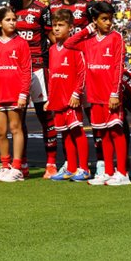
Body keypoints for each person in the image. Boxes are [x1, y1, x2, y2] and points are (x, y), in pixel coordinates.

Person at [8, 0, 57, 178]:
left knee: (44, 116)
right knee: (17, 120)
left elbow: (52, 38)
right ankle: (23, 163)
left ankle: (51, 163)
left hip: (38, 68)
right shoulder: (10, 11)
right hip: (15, 70)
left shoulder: (41, 10)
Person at [83, 2, 130, 186]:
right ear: (94, 20)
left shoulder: (116, 38)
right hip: (94, 95)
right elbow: (70, 43)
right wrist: (87, 30)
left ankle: (123, 173)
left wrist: (114, 93)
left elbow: (118, 67)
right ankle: (108, 171)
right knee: (103, 134)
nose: (108, 23)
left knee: (116, 132)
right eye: (104, 19)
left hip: (111, 94)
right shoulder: (88, 40)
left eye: (110, 19)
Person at [0, 6, 30, 183]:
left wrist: (23, 94)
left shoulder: (21, 43)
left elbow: (26, 70)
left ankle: (17, 167)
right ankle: (5, 166)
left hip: (15, 92)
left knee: (16, 128)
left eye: (14, 19)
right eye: (8, 20)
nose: (12, 23)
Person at [46, 9, 89, 182]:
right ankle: (71, 168)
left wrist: (77, 93)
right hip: (57, 98)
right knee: (64, 134)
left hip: (71, 98)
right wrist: (49, 98)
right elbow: (52, 75)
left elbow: (82, 71)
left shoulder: (75, 47)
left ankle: (84, 168)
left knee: (77, 131)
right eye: (55, 25)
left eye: (61, 25)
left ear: (70, 27)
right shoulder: (51, 49)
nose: (56, 29)